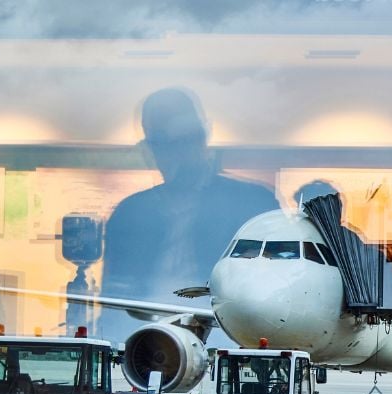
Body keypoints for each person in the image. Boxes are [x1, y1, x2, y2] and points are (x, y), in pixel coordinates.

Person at [99, 87, 280, 341]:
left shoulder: (252, 202)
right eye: (162, 144)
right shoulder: (130, 212)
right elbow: (112, 300)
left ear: (202, 138)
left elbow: (275, 290)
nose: (175, 155)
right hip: (144, 337)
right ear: (150, 148)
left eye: (184, 141)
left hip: (228, 335)